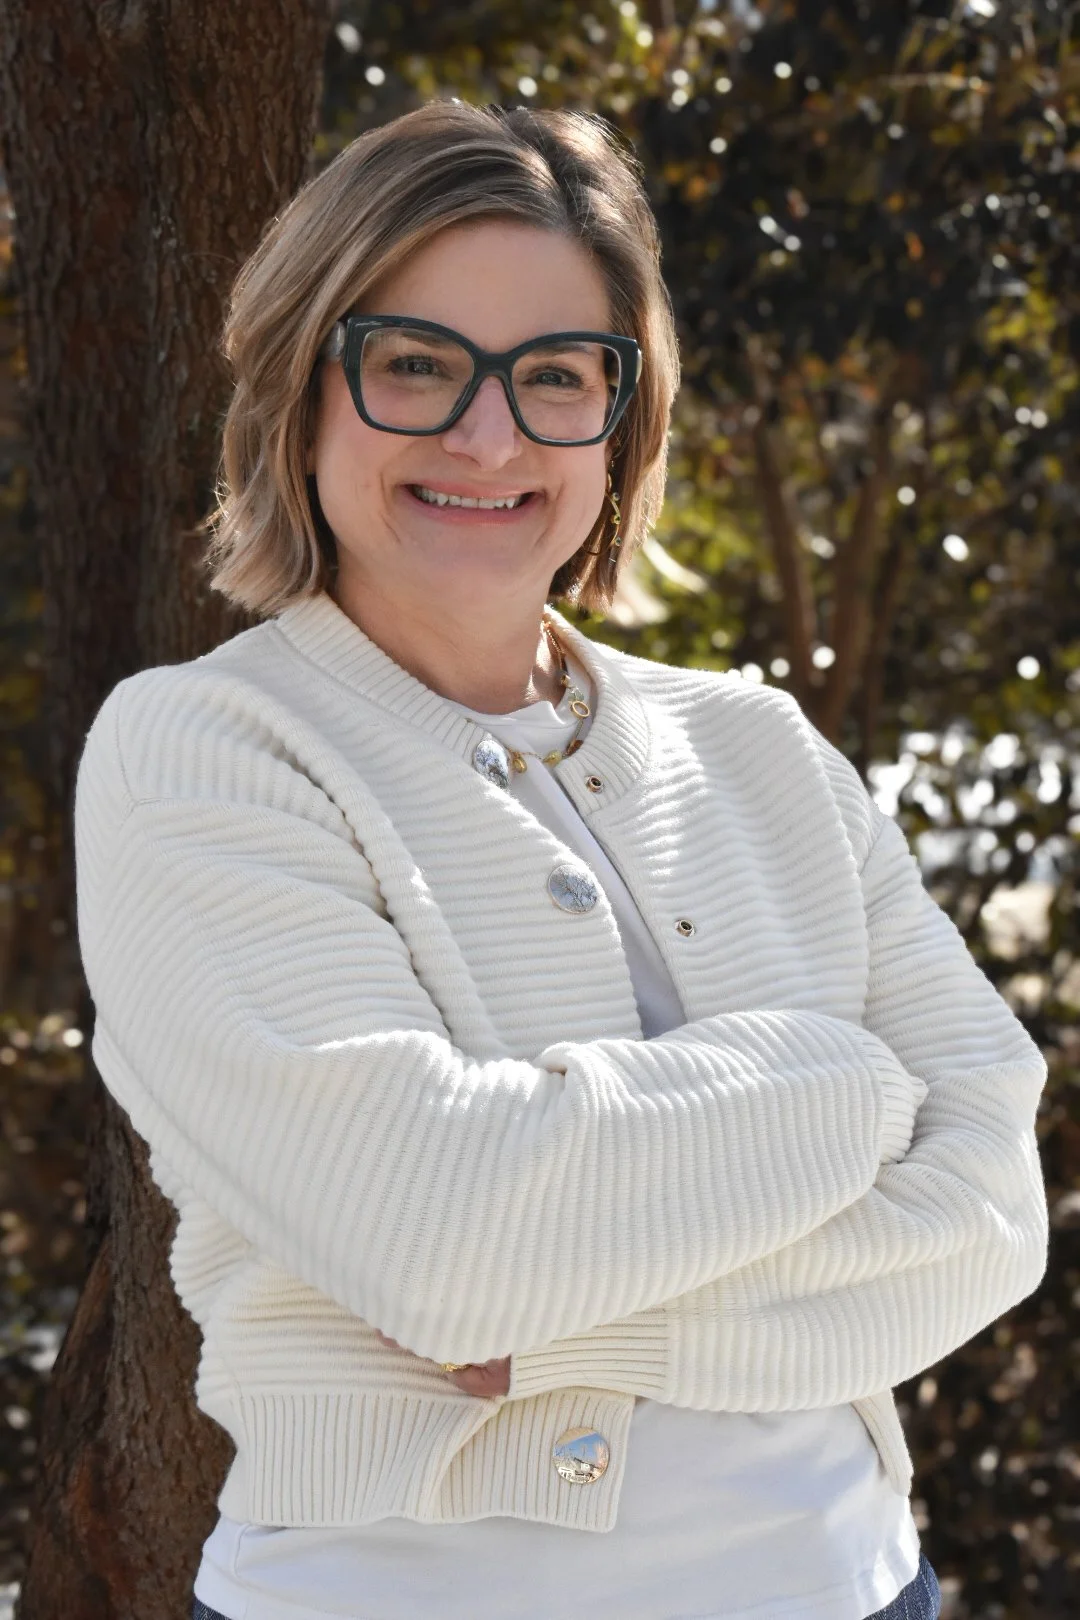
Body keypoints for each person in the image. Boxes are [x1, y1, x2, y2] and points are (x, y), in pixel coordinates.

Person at [72, 101, 1049, 1620]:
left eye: (554, 377)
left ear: (624, 418)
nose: (488, 435)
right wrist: (845, 1086)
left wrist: (576, 1338)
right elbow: (444, 1241)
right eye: (413, 363)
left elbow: (990, 1211)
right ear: (298, 394)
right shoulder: (204, 755)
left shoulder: (759, 748)